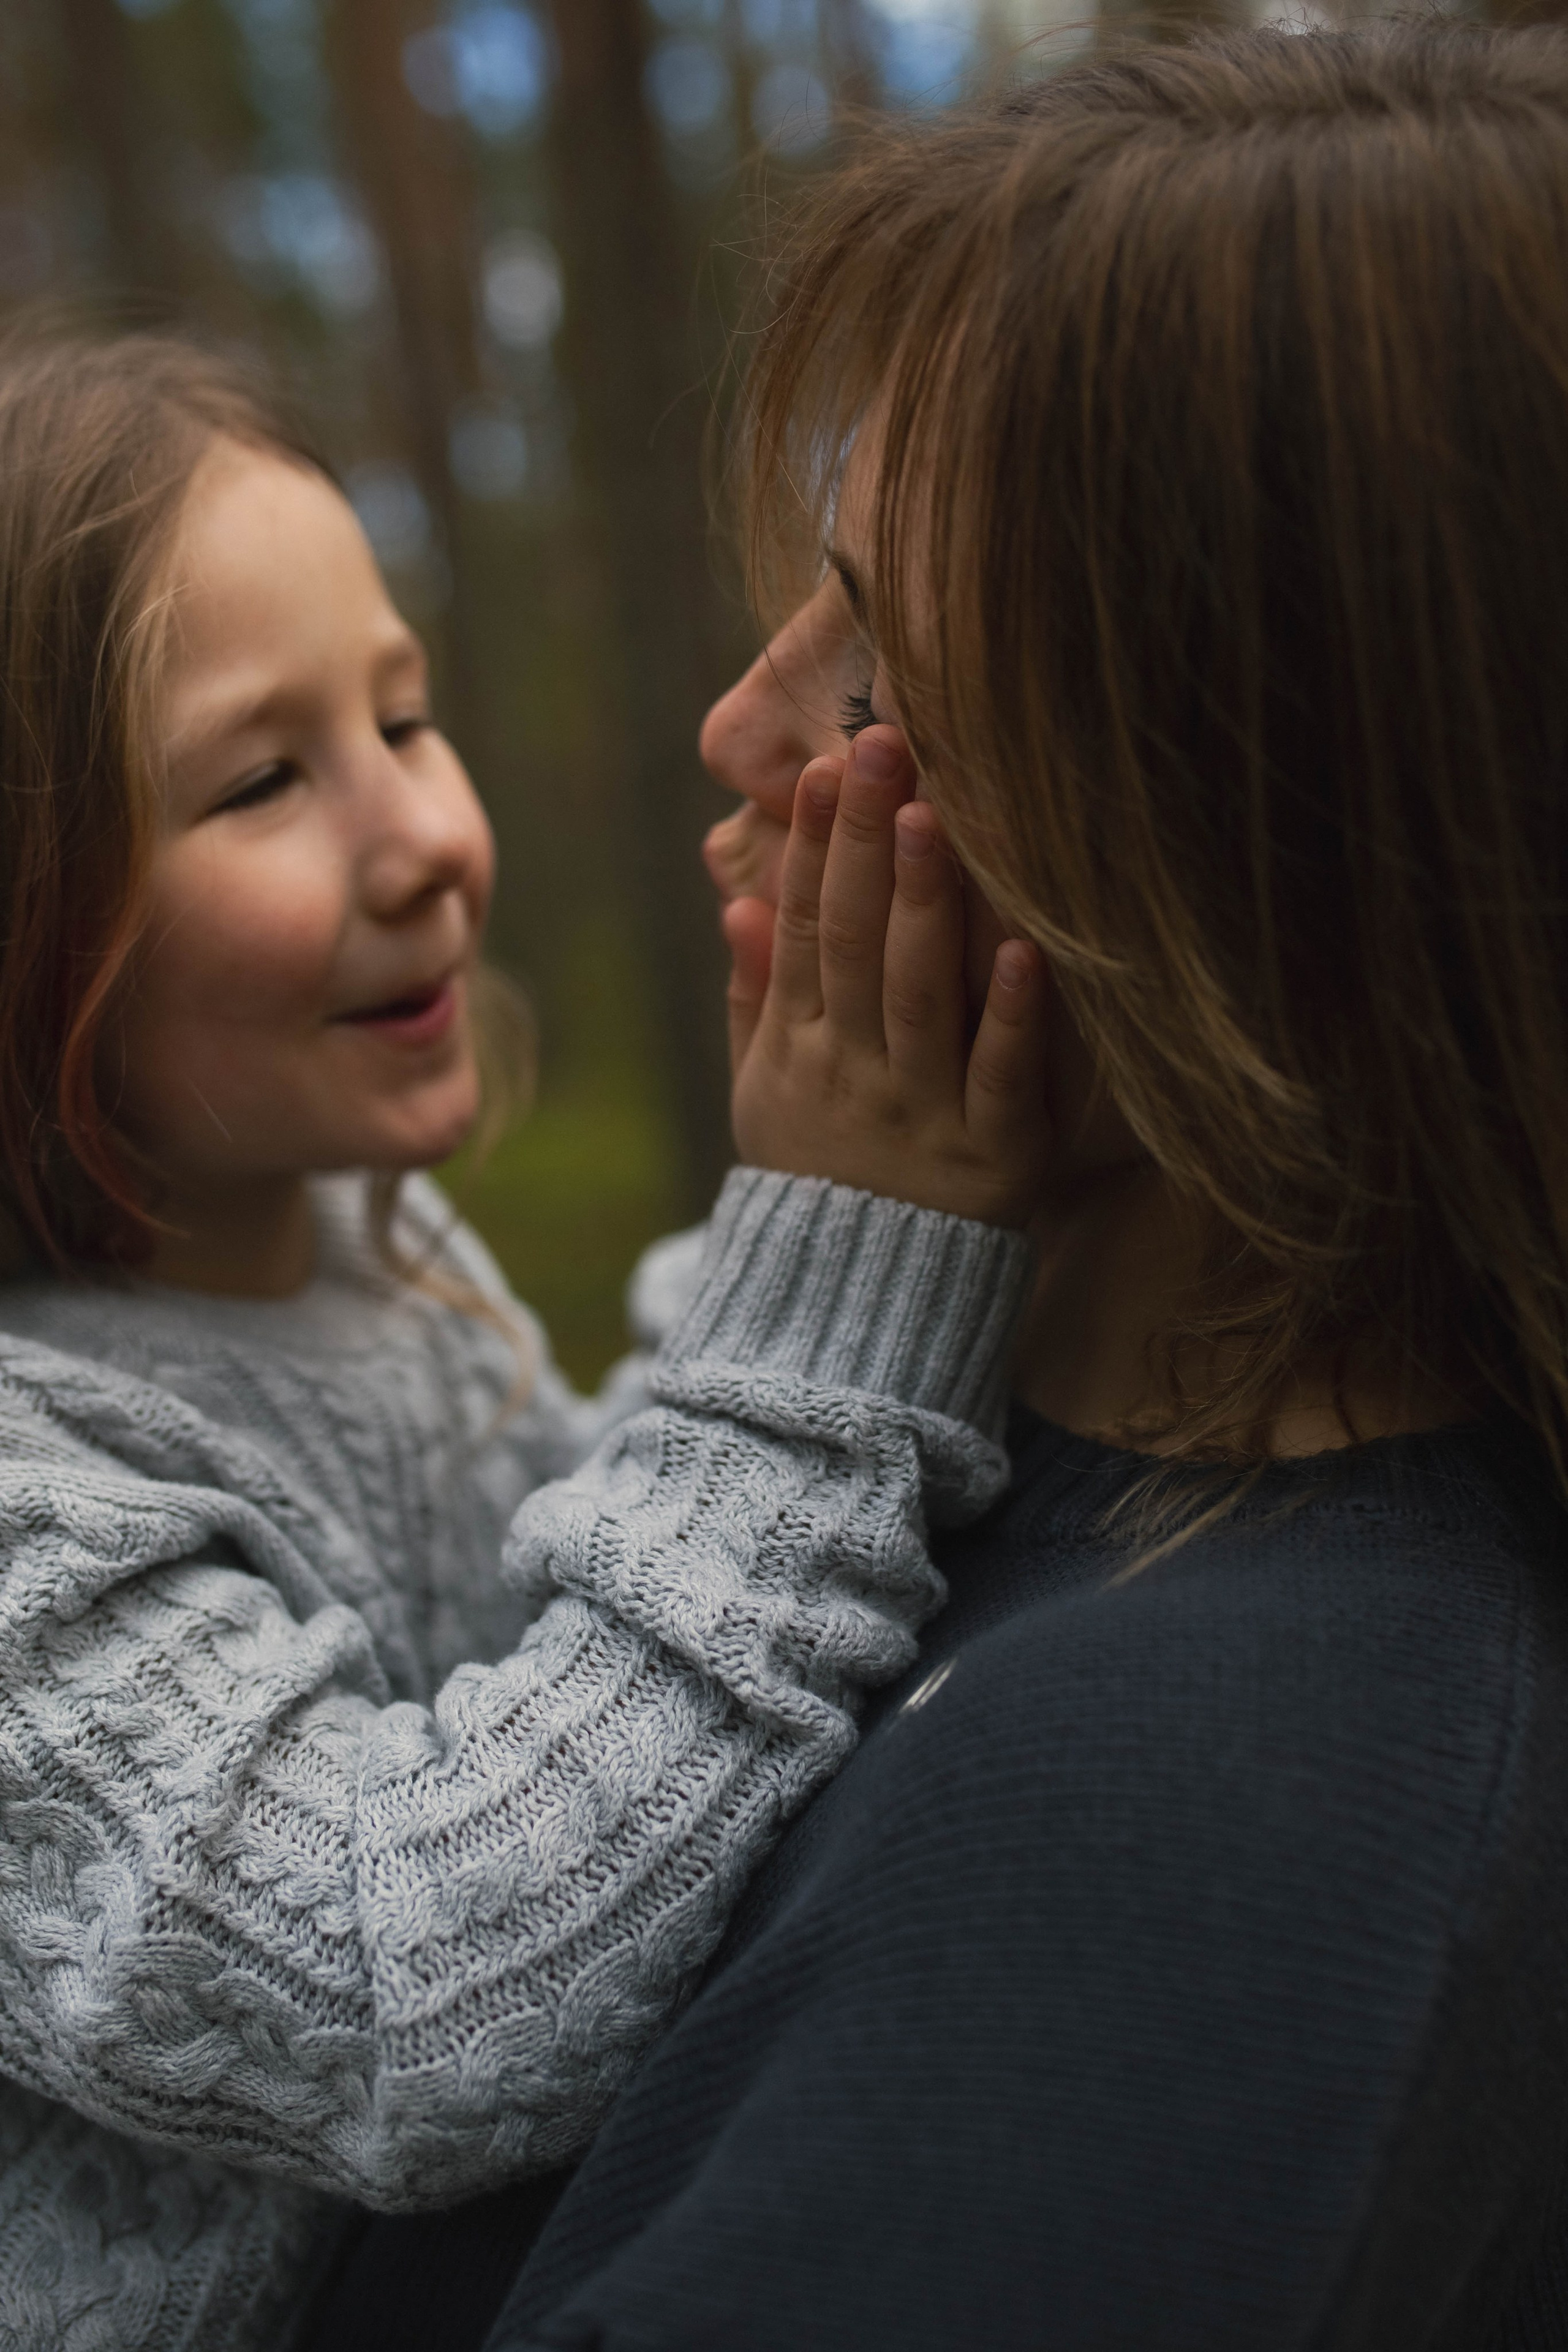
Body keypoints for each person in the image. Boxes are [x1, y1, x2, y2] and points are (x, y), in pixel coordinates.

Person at [473, 21, 1568, 2350]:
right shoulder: (995, 1449)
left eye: (881, 687)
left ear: (1251, 869)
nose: (746, 729)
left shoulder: (1200, 1841)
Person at [0, 330, 1054, 2352]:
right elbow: (413, 1984)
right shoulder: (29, 1497)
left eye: (404, 718)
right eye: (262, 779)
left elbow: (595, 1610)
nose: (422, 842)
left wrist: (799, 1236)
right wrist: (839, 1297)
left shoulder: (381, 1267)